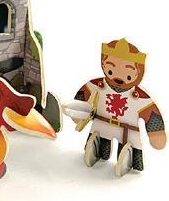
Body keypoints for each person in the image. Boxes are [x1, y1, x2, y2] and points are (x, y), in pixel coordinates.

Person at [65, 38, 166, 176]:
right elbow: (83, 95)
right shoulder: (98, 86)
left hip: (128, 130)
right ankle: (98, 152)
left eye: (128, 75)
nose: (118, 78)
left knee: (129, 147)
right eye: (111, 71)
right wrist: (79, 113)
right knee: (99, 142)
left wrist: (156, 132)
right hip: (101, 122)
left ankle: (129, 162)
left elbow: (151, 114)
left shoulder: (139, 96)